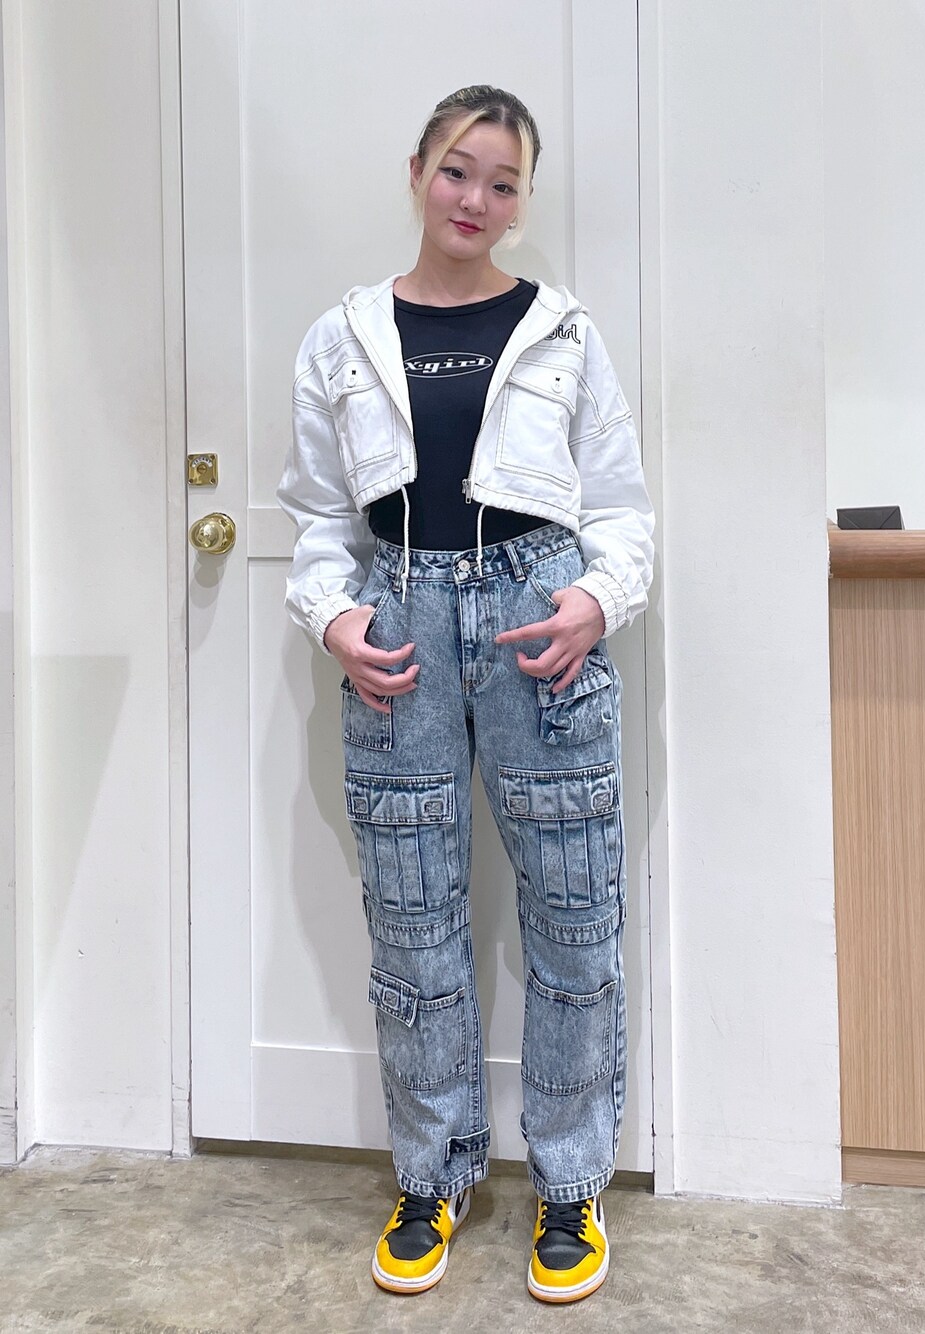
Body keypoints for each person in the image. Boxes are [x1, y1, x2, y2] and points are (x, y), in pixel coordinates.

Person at [277, 85, 654, 1305]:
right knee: (412, 916)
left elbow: (620, 507)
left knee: (573, 912)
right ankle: (430, 1174)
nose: (475, 199)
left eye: (502, 182)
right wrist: (332, 615)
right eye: (456, 169)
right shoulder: (342, 336)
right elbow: (317, 515)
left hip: (538, 615)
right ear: (416, 171)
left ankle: (569, 1181)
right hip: (399, 620)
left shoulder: (563, 331)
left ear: (521, 200)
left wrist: (594, 599)